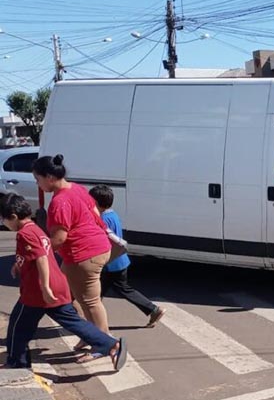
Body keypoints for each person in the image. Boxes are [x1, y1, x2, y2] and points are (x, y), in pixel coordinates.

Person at [1, 194, 127, 371]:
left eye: (3, 218)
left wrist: (44, 287)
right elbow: (34, 254)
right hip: (56, 286)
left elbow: (42, 258)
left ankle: (16, 361)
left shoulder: (24, 234)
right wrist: (19, 265)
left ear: (13, 216)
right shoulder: (36, 229)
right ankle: (110, 344)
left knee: (18, 325)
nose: (3, 222)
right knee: (73, 321)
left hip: (38, 291)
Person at [32, 154, 112, 347]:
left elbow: (59, 239)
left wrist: (39, 252)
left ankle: (104, 344)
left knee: (90, 302)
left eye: (38, 179)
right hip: (95, 247)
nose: (38, 184)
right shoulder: (76, 188)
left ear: (49, 177)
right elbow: (95, 213)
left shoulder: (60, 202)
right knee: (67, 294)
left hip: (84, 255)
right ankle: (89, 335)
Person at [89, 185, 165, 328]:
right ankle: (153, 309)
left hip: (110, 263)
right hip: (120, 261)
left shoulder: (102, 220)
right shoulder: (113, 214)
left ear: (95, 202)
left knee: (95, 295)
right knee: (115, 291)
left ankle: (153, 309)